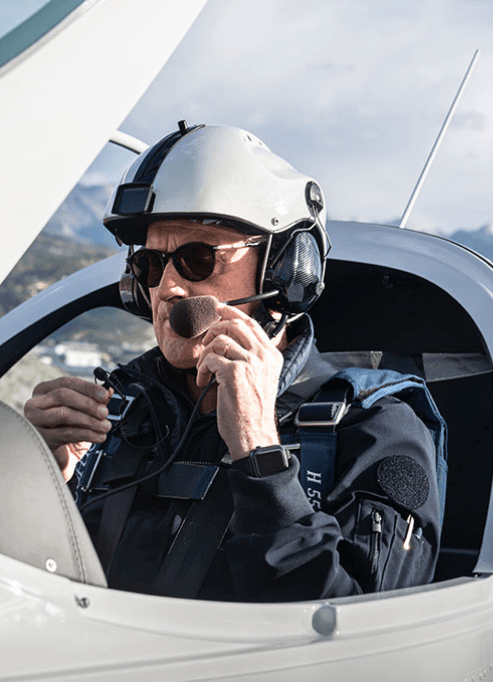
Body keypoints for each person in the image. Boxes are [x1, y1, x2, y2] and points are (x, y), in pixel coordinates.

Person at [24, 121, 443, 602]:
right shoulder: (123, 415)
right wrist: (35, 482)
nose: (167, 289)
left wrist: (260, 453)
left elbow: (367, 643)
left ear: (285, 269)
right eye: (151, 266)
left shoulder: (376, 431)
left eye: (198, 259)